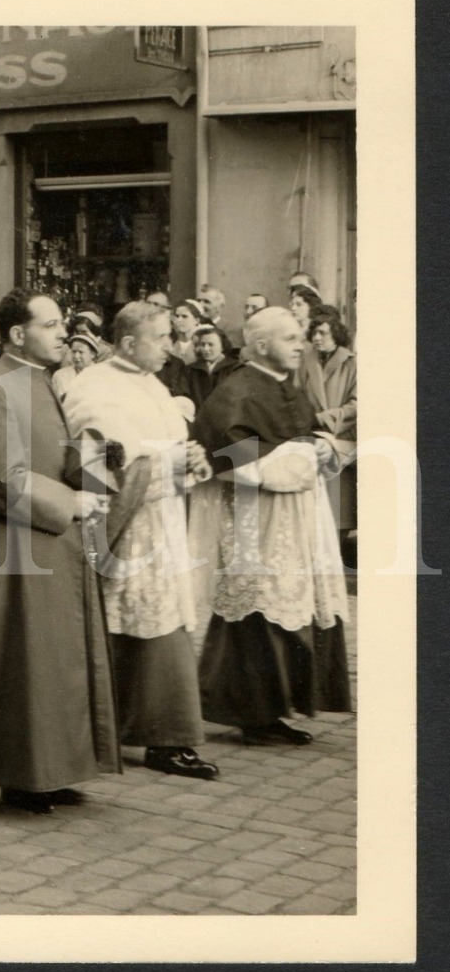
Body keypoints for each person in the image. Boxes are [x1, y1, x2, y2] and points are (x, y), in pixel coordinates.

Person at [0, 287, 120, 814]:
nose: (63, 331)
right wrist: (72, 500)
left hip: (47, 543)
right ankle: (22, 776)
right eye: (51, 324)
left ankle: (55, 770)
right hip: (14, 549)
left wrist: (97, 461)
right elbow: (3, 480)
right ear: (18, 335)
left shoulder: (39, 381)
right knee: (26, 664)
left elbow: (54, 455)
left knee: (53, 662)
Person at [62, 301, 220, 781]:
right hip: (121, 528)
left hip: (162, 521)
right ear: (129, 343)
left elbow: (166, 444)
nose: (173, 346)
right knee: (132, 626)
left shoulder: (152, 383)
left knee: (162, 621)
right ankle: (152, 735)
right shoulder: (93, 386)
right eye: (162, 338)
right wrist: (168, 459)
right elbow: (99, 458)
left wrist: (191, 460)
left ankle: (157, 733)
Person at [192, 308, 353, 745]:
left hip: (299, 516)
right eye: (290, 338)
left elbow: (299, 439)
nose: (301, 344)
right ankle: (255, 714)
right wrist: (305, 457)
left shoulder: (288, 386)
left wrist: (323, 448)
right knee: (259, 610)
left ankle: (276, 710)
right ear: (261, 345)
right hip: (258, 521)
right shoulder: (237, 392)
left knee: (291, 605)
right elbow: (227, 463)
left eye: (302, 337)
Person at [306, 307, 357, 541]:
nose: (317, 338)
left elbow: (357, 404)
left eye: (323, 333)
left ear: (336, 334)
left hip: (342, 435)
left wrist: (326, 418)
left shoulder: (352, 364)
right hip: (310, 432)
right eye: (314, 333)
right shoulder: (306, 364)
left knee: (338, 502)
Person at [182, 324, 239, 415]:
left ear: (223, 346)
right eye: (203, 344)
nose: (206, 349)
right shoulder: (190, 370)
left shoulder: (236, 368)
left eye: (210, 345)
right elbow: (184, 397)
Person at [52, 332, 99, 401]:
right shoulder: (59, 375)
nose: (76, 356)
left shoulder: (101, 376)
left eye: (81, 352)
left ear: (93, 354)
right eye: (74, 352)